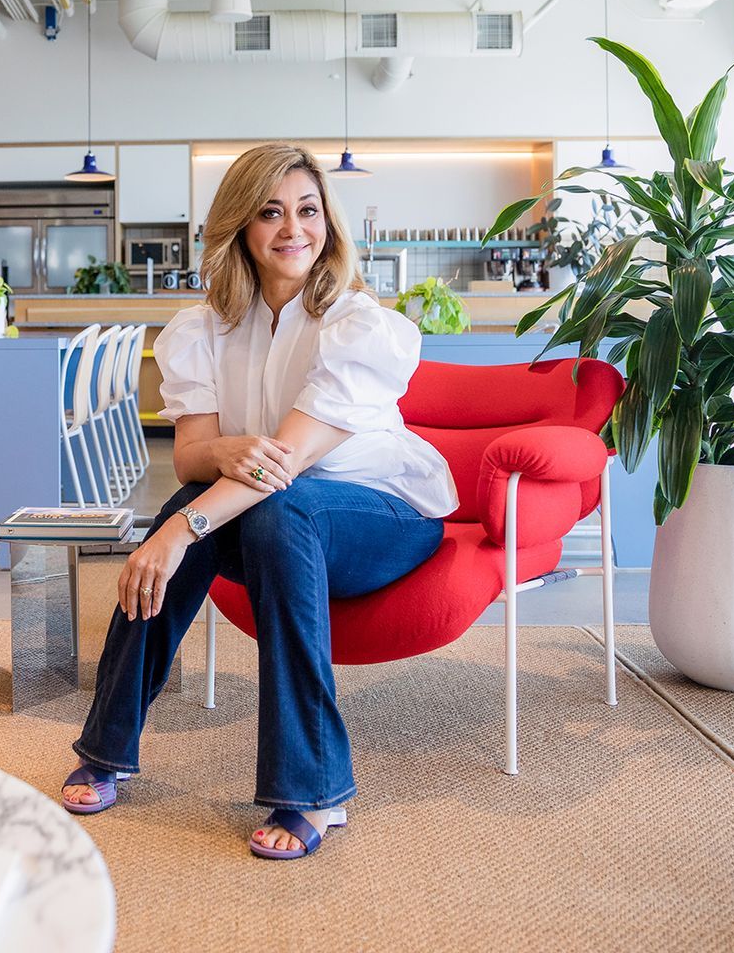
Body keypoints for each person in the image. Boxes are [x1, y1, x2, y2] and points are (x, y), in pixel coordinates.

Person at [58, 142, 457, 860]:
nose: (292, 229)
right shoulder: (203, 328)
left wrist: (177, 531)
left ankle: (313, 790)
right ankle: (108, 745)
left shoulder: (357, 324)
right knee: (215, 497)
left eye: (308, 211)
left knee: (259, 506)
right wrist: (215, 461)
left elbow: (287, 462)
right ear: (240, 226)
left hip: (385, 517)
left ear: (328, 225)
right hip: (278, 519)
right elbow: (190, 454)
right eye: (270, 212)